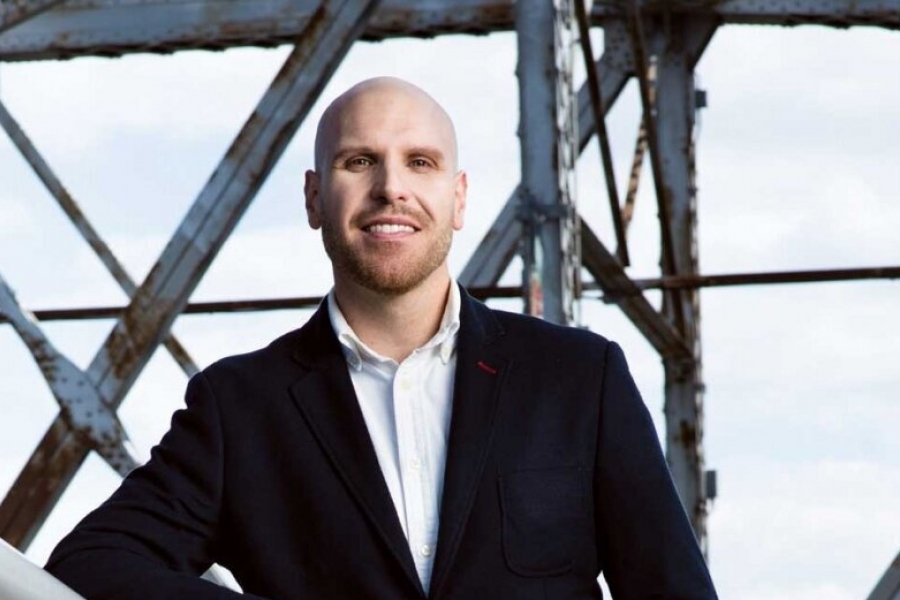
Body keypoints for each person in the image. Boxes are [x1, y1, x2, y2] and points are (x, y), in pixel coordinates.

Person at [45, 77, 718, 599]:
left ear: (458, 198)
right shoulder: (240, 407)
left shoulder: (578, 379)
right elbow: (93, 562)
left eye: (419, 162)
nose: (390, 188)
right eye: (358, 161)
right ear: (314, 198)